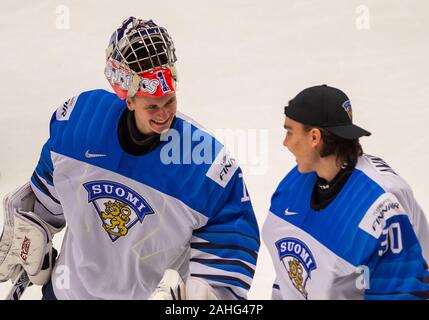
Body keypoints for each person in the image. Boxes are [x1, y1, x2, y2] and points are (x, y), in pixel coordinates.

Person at [0, 17, 259, 300]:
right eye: (152, 106)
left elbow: (232, 237)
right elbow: (51, 188)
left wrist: (202, 295)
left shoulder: (205, 162)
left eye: (169, 101)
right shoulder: (82, 124)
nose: (163, 115)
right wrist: (36, 227)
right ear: (129, 99)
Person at [262, 84, 429, 300]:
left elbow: (403, 289)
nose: (285, 143)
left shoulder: (380, 201)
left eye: (289, 131)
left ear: (314, 137)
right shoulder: (295, 184)